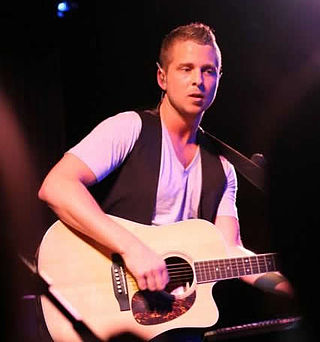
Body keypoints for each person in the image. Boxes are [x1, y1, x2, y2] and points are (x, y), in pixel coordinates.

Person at [38, 22, 292, 342]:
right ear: (162, 77)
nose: (198, 80)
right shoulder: (129, 129)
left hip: (167, 321)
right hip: (105, 301)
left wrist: (294, 278)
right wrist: (132, 248)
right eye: (186, 68)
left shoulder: (223, 168)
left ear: (218, 80)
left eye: (208, 70)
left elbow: (231, 252)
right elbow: (56, 186)